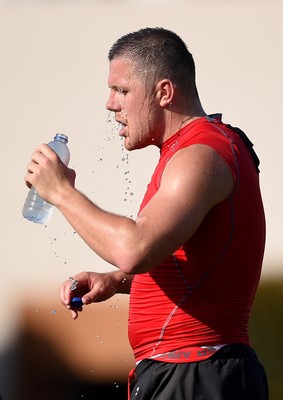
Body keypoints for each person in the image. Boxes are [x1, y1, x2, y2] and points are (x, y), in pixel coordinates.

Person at [24, 27, 269, 399]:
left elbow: (134, 248)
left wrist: (61, 192)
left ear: (165, 92)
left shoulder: (202, 152)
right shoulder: (190, 150)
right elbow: (194, 266)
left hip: (198, 370)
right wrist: (117, 280)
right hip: (189, 370)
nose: (110, 104)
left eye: (122, 90)